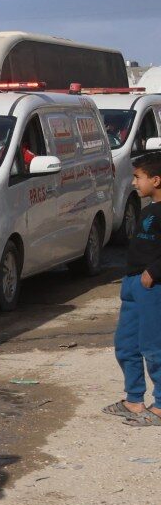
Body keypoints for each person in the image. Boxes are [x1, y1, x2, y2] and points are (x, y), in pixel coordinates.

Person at [109, 152, 161, 425]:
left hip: (152, 285)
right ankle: (134, 400)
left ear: (156, 179)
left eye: (138, 177)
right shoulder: (149, 209)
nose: (133, 183)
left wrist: (154, 272)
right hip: (132, 284)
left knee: (154, 347)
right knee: (126, 344)